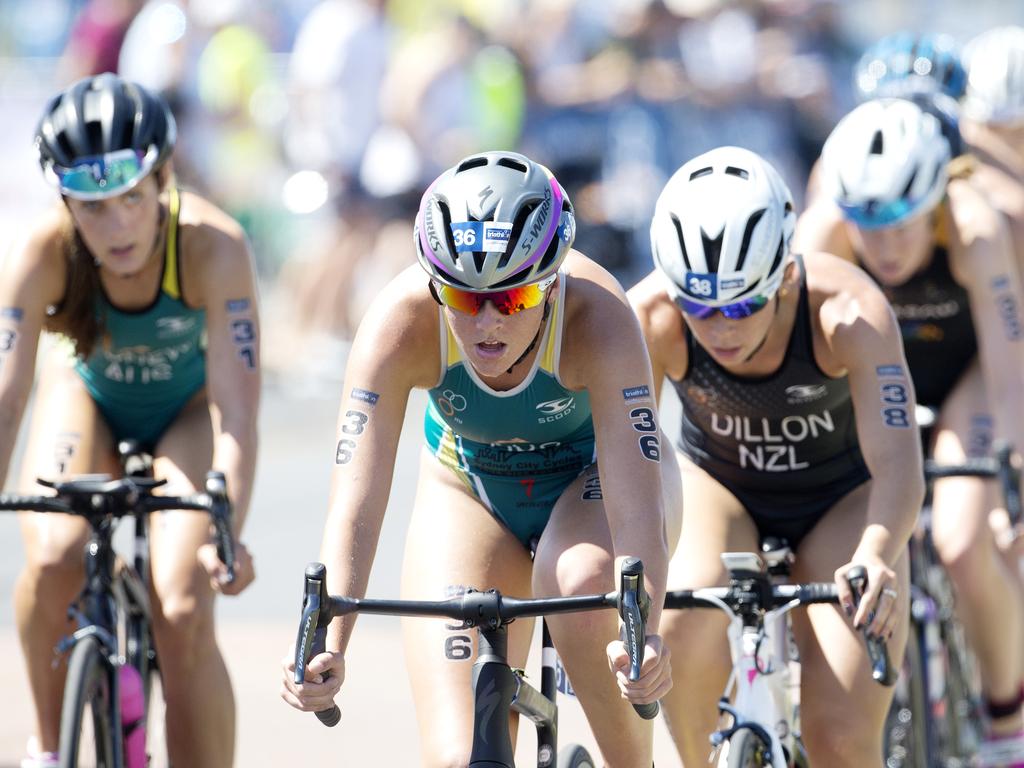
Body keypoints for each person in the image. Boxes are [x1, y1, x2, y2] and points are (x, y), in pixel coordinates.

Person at [280, 150, 680, 767]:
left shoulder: (600, 317)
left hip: (590, 483)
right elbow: (356, 502)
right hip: (470, 487)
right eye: (464, 299)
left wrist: (643, 631)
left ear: (550, 282)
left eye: (513, 299)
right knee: (454, 757)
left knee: (581, 583)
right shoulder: (400, 320)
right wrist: (328, 638)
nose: (487, 322)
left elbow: (637, 506)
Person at [629, 145, 923, 766]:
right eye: (700, 306)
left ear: (786, 276)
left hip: (840, 500)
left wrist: (877, 553)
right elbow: (628, 463)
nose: (720, 327)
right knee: (684, 614)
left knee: (840, 737)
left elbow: (900, 463)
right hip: (721, 488)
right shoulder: (650, 316)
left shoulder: (848, 313)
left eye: (740, 305)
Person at [0, 73, 257, 768]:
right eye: (92, 208)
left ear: (163, 179)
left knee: (180, 609)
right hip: (85, 399)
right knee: (53, 557)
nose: (115, 228)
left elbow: (236, 410)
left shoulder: (214, 245)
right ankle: (51, 750)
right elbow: (6, 394)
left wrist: (226, 526)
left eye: (130, 200)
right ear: (65, 203)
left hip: (184, 413)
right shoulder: (40, 251)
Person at [795, 96, 1024, 763]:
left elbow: (1009, 366)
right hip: (873, 386)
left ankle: (1009, 722)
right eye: (869, 223)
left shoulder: (972, 225)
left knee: (960, 541)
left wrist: (1010, 472)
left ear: (935, 199)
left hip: (965, 380)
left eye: (902, 221)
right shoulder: (825, 232)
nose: (885, 244)